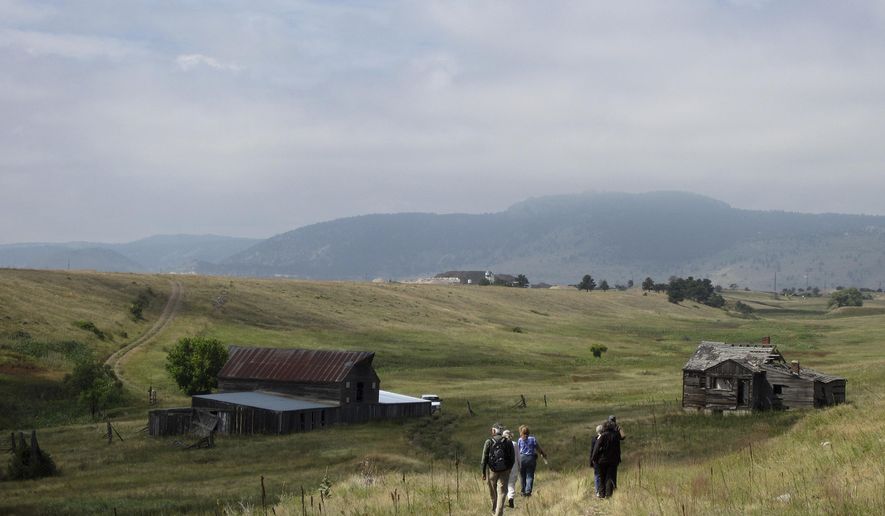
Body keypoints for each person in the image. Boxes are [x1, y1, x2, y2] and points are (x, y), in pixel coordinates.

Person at [481, 423, 516, 516]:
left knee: (492, 490)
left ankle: (494, 508)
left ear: (493, 431)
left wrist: (483, 472)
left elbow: (484, 458)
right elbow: (512, 458)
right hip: (505, 470)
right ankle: (498, 513)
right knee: (502, 492)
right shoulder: (508, 441)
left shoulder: (488, 441)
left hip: (492, 470)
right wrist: (509, 469)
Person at [590, 420, 622, 498]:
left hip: (602, 460)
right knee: (610, 477)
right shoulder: (615, 436)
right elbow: (618, 449)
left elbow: (596, 448)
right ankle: (609, 494)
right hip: (613, 460)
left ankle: (601, 494)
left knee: (602, 477)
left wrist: (593, 458)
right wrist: (618, 458)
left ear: (605, 427)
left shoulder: (603, 436)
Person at [517, 424, 548, 497]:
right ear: (529, 432)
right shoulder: (532, 439)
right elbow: (538, 448)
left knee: (522, 476)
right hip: (531, 459)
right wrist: (543, 454)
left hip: (522, 458)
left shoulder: (520, 440)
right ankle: (528, 491)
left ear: (521, 432)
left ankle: (523, 491)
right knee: (530, 475)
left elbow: (517, 450)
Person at [502, 429, 520, 508]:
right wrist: (520, 465)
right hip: (513, 467)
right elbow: (518, 456)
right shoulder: (514, 444)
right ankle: (511, 499)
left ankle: (501, 501)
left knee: (503, 485)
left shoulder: (501, 444)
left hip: (504, 467)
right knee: (511, 484)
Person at [588, 424, 604, 497]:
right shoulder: (604, 439)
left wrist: (591, 461)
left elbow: (592, 451)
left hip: (596, 460)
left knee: (597, 476)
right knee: (602, 475)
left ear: (597, 431)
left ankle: (597, 491)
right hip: (602, 460)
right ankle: (601, 490)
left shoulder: (594, 439)